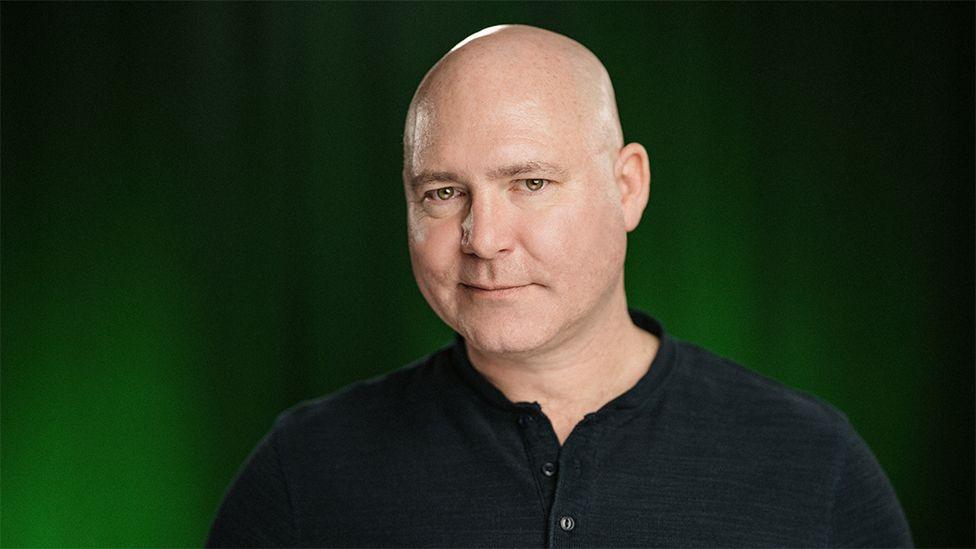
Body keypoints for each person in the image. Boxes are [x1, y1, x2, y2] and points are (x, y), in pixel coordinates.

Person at [207, 25, 912, 547]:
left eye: (531, 182)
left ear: (628, 186)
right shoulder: (304, 474)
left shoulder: (814, 466)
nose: (483, 238)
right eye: (444, 192)